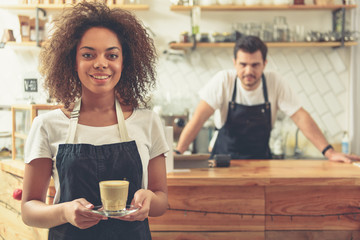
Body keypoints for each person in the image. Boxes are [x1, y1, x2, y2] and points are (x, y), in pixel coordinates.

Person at [21, 2, 168, 240]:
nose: (101, 63)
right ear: (73, 61)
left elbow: (161, 200)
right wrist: (65, 211)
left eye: (112, 55)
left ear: (124, 62)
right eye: (88, 55)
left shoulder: (148, 122)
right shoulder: (47, 125)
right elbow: (29, 209)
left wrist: (150, 200)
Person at [175, 35, 360, 163]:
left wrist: (329, 152)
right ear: (234, 63)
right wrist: (177, 153)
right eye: (243, 64)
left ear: (265, 64)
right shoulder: (224, 80)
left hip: (260, 163)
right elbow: (198, 118)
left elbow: (300, 116)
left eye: (255, 65)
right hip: (223, 162)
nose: (249, 71)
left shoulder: (274, 81)